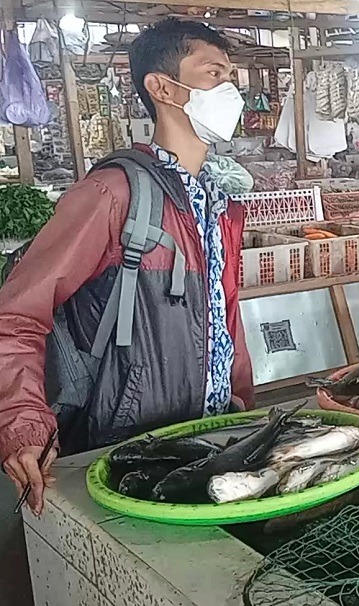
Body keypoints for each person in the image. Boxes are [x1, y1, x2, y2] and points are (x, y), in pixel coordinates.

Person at [0, 18, 254, 515]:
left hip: (208, 441)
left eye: (230, 76)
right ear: (162, 87)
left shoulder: (218, 203)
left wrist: (243, 408)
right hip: (120, 452)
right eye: (213, 74)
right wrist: (22, 423)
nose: (230, 90)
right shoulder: (113, 194)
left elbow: (226, 318)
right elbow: (16, 316)